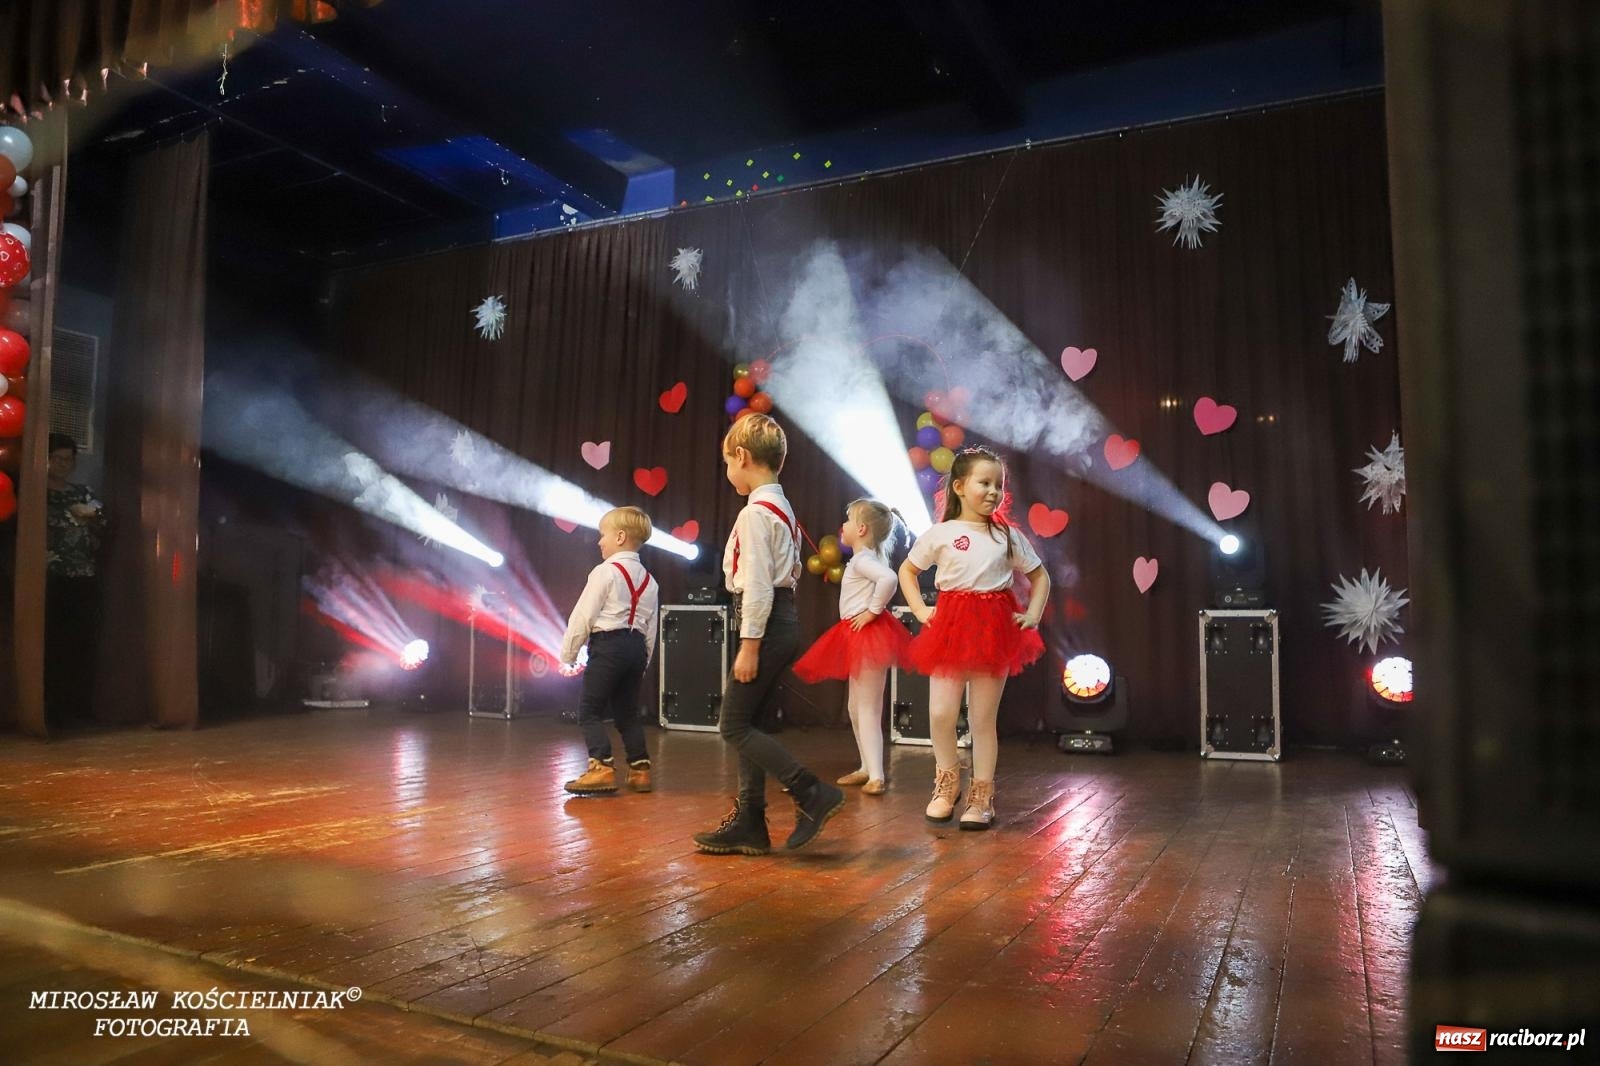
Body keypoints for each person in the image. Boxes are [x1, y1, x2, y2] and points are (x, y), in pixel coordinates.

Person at [693, 413, 845, 855]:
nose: (727, 472)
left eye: (727, 463)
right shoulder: (781, 507)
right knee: (751, 722)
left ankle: (810, 791)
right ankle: (750, 822)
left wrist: (749, 645)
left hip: (766, 623)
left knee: (733, 725)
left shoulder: (756, 514)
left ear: (741, 457)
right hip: (779, 620)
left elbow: (759, 583)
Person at [898, 447, 1050, 830]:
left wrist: (1032, 614)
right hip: (950, 627)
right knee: (941, 713)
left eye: (998, 485)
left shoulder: (1007, 536)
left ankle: (981, 796)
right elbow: (907, 571)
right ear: (960, 486)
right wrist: (919, 609)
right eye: (984, 483)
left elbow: (1039, 577)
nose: (993, 492)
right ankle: (946, 782)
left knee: (983, 719)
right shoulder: (942, 534)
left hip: (993, 629)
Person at [792, 498, 912, 796]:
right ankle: (866, 767)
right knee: (855, 707)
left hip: (869, 636)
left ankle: (877, 775)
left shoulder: (863, 560)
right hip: (857, 635)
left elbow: (889, 579)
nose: (841, 526)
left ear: (860, 528)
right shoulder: (861, 559)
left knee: (867, 708)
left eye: (846, 520)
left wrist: (872, 611)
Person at [559, 506, 660, 794]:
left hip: (609, 646)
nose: (598, 541)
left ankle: (601, 766)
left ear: (619, 536)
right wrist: (644, 659)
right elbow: (651, 626)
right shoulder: (650, 581)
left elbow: (583, 615)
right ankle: (640, 770)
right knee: (626, 713)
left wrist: (568, 653)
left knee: (589, 710)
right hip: (636, 649)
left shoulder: (604, 572)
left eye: (602, 535)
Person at [45, 433, 104, 724]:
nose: (63, 465)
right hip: (48, 578)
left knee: (79, 645)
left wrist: (93, 514)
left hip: (82, 577)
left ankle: (78, 709)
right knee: (50, 645)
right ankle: (48, 709)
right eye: (57, 458)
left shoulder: (82, 491)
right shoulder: (35, 493)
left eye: (68, 459)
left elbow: (105, 516)